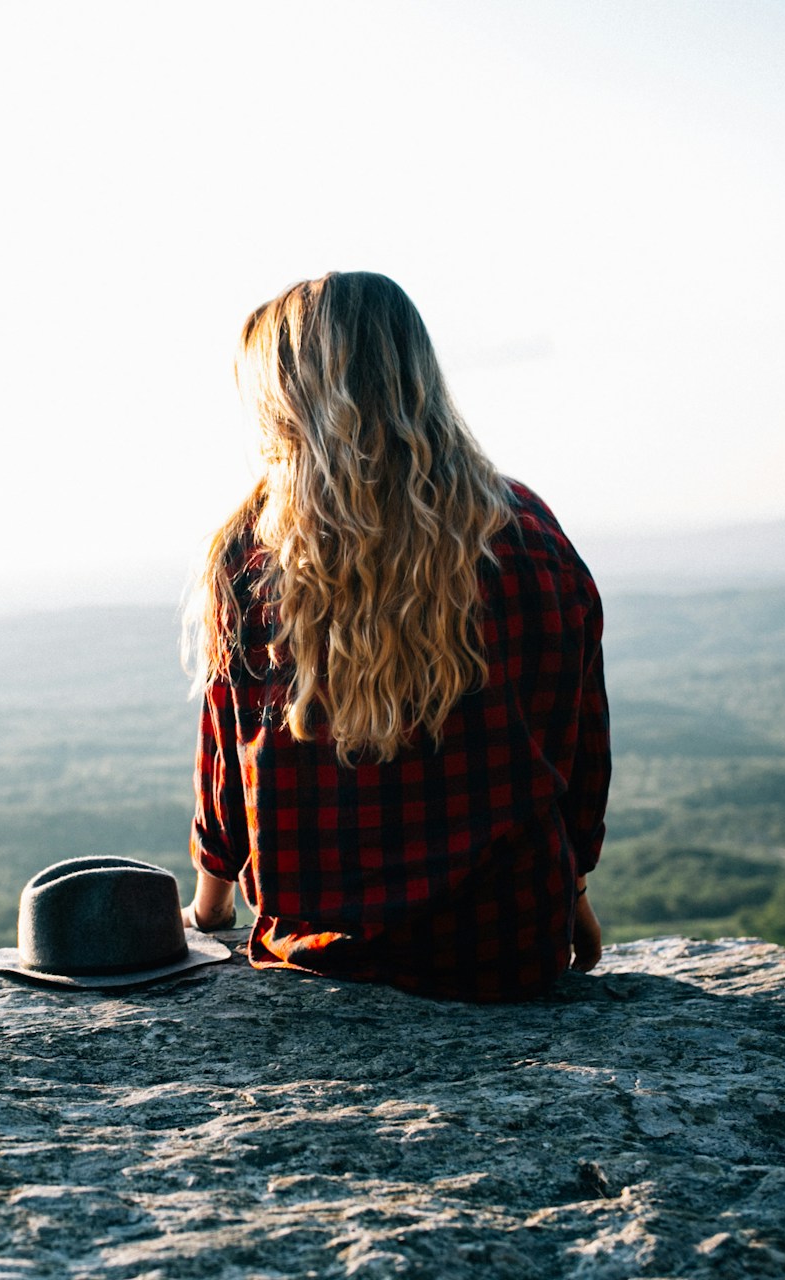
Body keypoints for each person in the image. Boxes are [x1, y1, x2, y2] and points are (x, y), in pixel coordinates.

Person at [182, 271, 610, 1003]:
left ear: (284, 404)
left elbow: (230, 775)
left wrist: (208, 915)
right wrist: (570, 899)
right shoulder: (527, 533)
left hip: (318, 957)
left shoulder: (252, 552)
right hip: (505, 948)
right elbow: (571, 747)